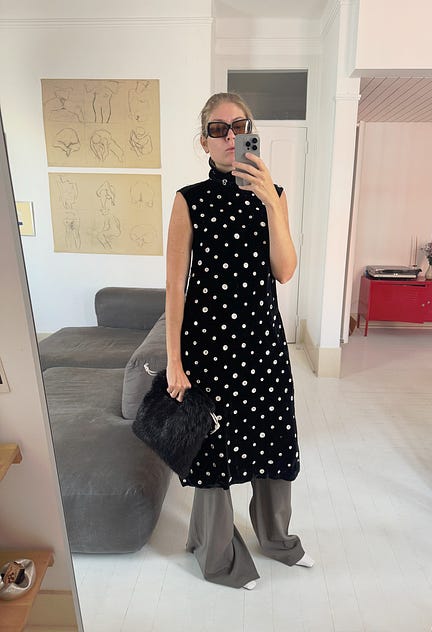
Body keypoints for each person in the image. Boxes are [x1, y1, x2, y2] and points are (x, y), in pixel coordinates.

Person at [165, 92, 313, 590]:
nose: (231, 136)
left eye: (240, 126)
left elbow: (285, 271)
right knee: (213, 449)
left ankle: (277, 539)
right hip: (207, 349)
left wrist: (270, 200)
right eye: (218, 129)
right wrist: (173, 361)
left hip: (263, 346)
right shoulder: (189, 200)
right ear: (203, 141)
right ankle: (217, 555)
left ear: (251, 131)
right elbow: (175, 287)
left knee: (273, 438)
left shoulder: (275, 193)